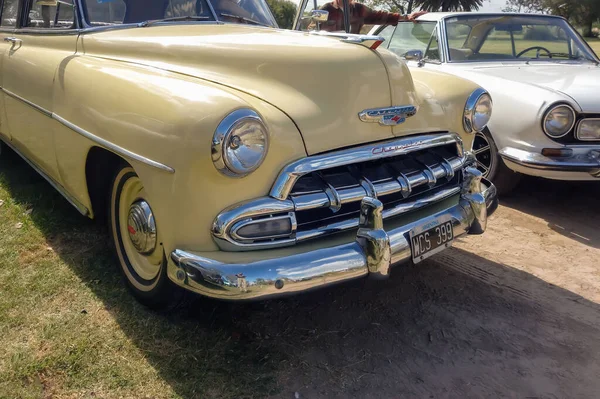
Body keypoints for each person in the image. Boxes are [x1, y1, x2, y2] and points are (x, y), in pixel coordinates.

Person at [318, 0, 426, 34]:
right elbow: (314, 29)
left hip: (350, 52)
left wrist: (406, 17)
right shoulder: (326, 8)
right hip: (329, 52)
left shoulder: (359, 9)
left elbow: (381, 16)